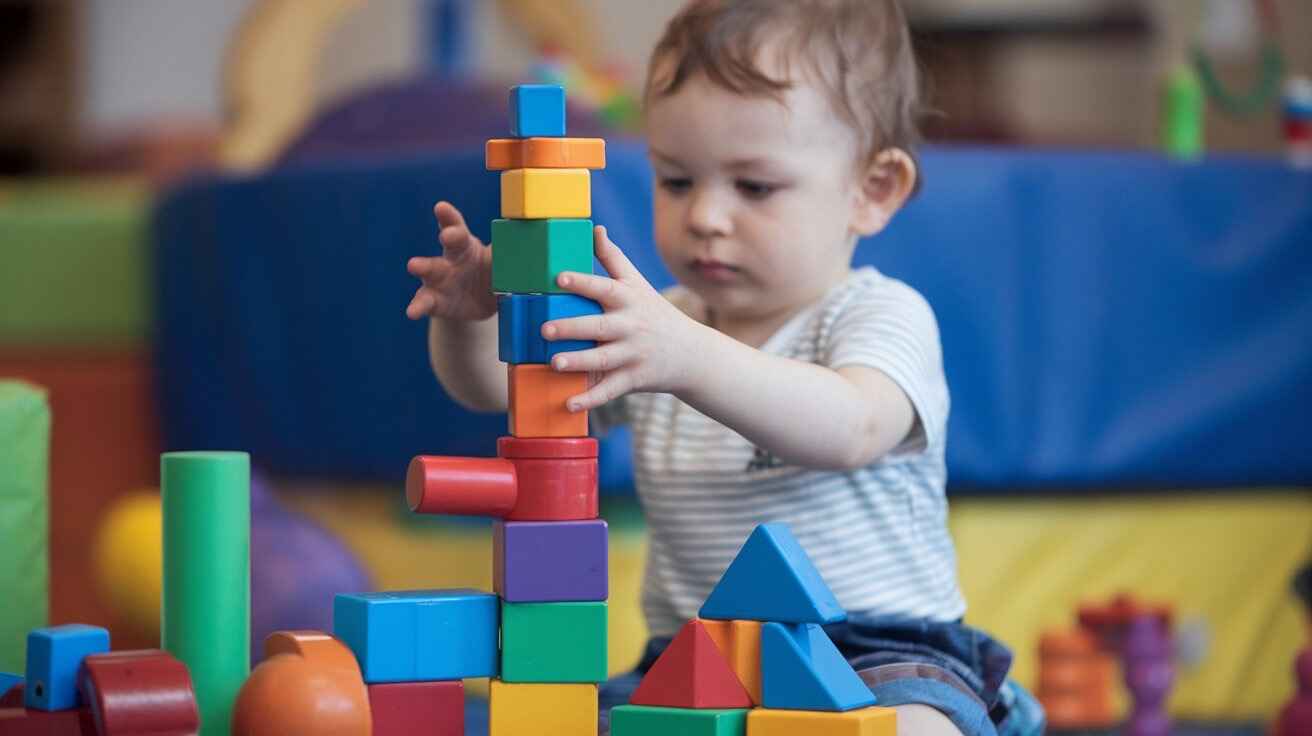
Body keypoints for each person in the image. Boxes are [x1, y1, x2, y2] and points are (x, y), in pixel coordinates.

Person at [404, 1, 1043, 733]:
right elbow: (500, 393)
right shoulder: (654, 326)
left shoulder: (878, 316)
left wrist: (684, 355)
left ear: (873, 191)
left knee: (917, 729)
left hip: (875, 648)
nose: (706, 215)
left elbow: (853, 426)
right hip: (694, 655)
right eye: (677, 180)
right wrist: (471, 320)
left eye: (755, 187)